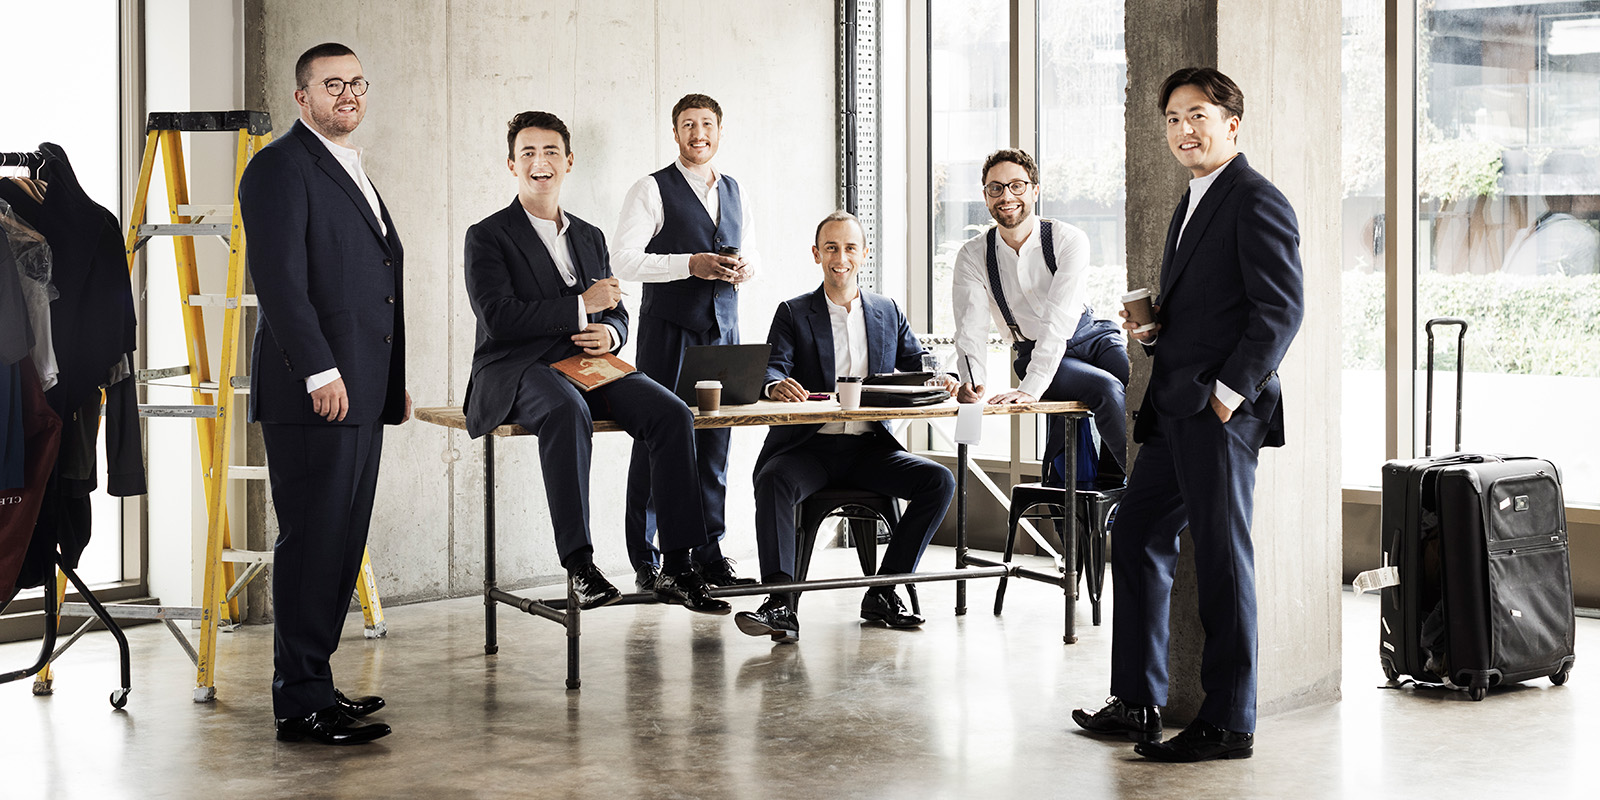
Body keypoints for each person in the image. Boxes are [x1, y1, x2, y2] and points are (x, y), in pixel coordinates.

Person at [1071, 67, 1304, 763]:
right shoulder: (1194, 198)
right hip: (1173, 407)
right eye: (1173, 118)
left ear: (1233, 122)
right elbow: (1212, 307)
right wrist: (1153, 331)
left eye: (1198, 115)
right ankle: (1139, 698)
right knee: (1137, 531)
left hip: (1218, 412)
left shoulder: (1257, 199)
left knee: (1224, 559)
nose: (1183, 130)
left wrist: (1228, 394)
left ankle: (1231, 721)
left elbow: (1280, 310)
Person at [461, 111, 730, 621]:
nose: (540, 163)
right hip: (518, 367)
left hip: (588, 360)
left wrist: (610, 331)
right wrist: (581, 306)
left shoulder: (587, 235)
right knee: (566, 412)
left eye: (550, 153)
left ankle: (675, 564)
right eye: (528, 154)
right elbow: (497, 318)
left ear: (568, 162)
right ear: (512, 164)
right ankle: (581, 568)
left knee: (672, 414)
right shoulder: (488, 235)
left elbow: (618, 311)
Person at [239, 42, 407, 745]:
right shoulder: (278, 167)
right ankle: (300, 704)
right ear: (302, 97)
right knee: (312, 542)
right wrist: (318, 370)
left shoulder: (349, 164)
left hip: (364, 390)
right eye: (332, 83)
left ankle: (317, 682)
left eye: (358, 82)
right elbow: (278, 281)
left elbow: (377, 283)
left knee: (342, 544)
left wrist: (391, 385)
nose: (349, 94)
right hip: (316, 390)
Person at [734, 211, 957, 642]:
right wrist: (777, 384)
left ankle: (884, 589)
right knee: (772, 480)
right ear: (817, 254)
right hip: (808, 449)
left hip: (869, 449)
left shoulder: (886, 310)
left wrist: (942, 379)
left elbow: (918, 368)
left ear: (864, 254)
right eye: (832, 248)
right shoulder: (793, 313)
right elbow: (771, 367)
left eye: (850, 247)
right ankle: (780, 602)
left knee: (939, 481)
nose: (841, 257)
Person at [611, 93, 759, 592]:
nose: (699, 133)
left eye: (708, 124)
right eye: (688, 124)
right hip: (668, 330)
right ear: (674, 133)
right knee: (658, 442)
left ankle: (709, 552)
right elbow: (624, 261)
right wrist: (687, 264)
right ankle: (647, 560)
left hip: (723, 330)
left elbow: (754, 256)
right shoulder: (651, 189)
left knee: (715, 446)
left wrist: (744, 270)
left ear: (721, 131)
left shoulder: (736, 189)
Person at [951, 148, 1129, 484]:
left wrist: (1031, 388)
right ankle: (1145, 484)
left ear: (1035, 190)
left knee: (1139, 382)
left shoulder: (1067, 239)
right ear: (986, 197)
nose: (1007, 196)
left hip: (1091, 336)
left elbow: (1059, 318)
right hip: (1035, 351)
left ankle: (1125, 479)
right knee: (1106, 389)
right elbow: (970, 329)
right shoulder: (973, 256)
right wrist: (973, 387)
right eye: (996, 188)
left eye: (1017, 186)